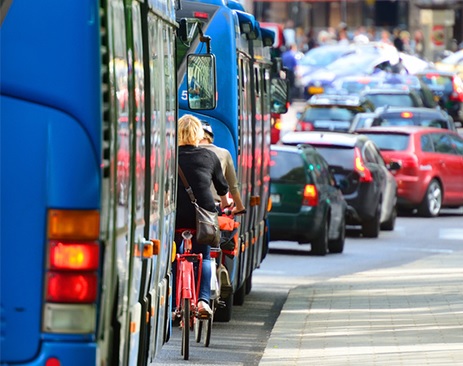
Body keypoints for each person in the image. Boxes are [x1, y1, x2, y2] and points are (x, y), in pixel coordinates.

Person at [175, 114, 230, 317]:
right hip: (203, 216)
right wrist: (226, 205)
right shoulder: (210, 156)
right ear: (198, 134)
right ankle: (203, 301)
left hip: (177, 216)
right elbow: (222, 189)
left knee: (173, 256)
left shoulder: (170, 156)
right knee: (205, 257)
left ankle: (173, 304)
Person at [199, 122, 246, 215]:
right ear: (209, 137)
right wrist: (239, 207)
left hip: (182, 210)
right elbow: (233, 186)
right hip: (211, 208)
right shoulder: (223, 154)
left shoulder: (180, 153)